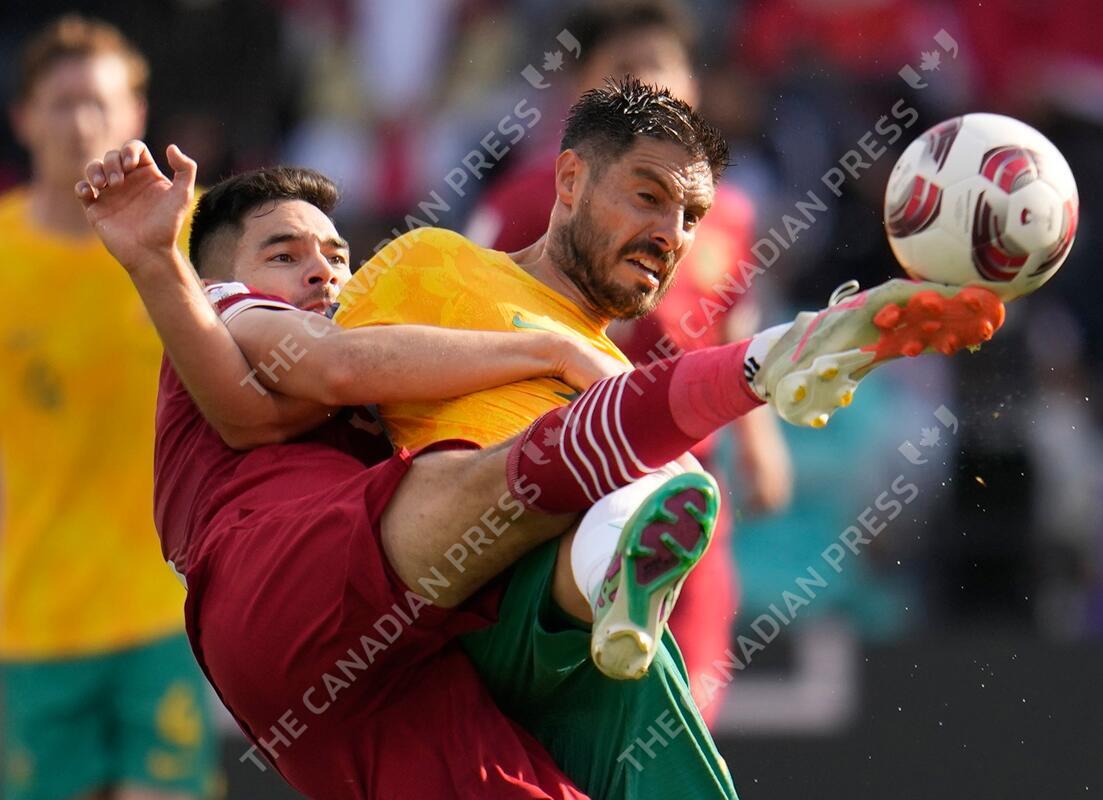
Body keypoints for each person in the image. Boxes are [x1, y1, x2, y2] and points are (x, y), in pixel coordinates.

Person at [78, 82, 1004, 799]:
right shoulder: (413, 270)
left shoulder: (604, 368)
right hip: (308, 571)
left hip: (431, 647)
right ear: (569, 182)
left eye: (689, 218)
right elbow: (294, 390)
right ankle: (750, 385)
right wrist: (159, 263)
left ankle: (609, 556)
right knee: (498, 475)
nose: (668, 233)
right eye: (647, 196)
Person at [464, 0, 793, 722]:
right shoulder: (527, 201)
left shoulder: (728, 215)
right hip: (562, 492)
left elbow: (732, 326)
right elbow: (464, 317)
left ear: (695, 86)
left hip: (687, 499)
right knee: (564, 724)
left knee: (681, 721)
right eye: (623, 69)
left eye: (661, 67)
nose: (648, 84)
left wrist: (759, 438)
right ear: (580, 92)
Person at [0, 16, 216, 799]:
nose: (81, 123)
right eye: (61, 103)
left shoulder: (198, 238)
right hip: (32, 620)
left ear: (137, 114)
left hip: (167, 613)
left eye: (99, 101)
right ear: (24, 118)